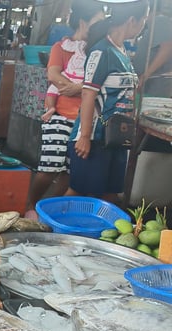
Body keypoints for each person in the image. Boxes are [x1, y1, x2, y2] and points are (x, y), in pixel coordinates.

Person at [25, 1, 105, 219]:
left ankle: (46, 208)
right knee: (49, 166)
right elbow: (53, 75)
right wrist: (78, 88)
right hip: (59, 114)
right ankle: (30, 204)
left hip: (84, 122)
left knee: (70, 173)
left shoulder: (97, 50)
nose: (102, 25)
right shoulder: (60, 48)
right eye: (98, 20)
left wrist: (77, 88)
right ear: (83, 22)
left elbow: (98, 83)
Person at [65, 0, 149, 204]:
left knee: (110, 195)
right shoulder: (101, 51)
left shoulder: (122, 51)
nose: (144, 25)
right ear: (132, 20)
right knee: (79, 192)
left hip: (116, 138)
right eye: (144, 20)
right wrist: (84, 136)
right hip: (95, 138)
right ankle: (51, 229)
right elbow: (88, 95)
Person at [134, 3, 172, 97]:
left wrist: (144, 76)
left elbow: (166, 49)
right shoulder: (155, 24)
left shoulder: (160, 20)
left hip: (155, 82)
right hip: (151, 82)